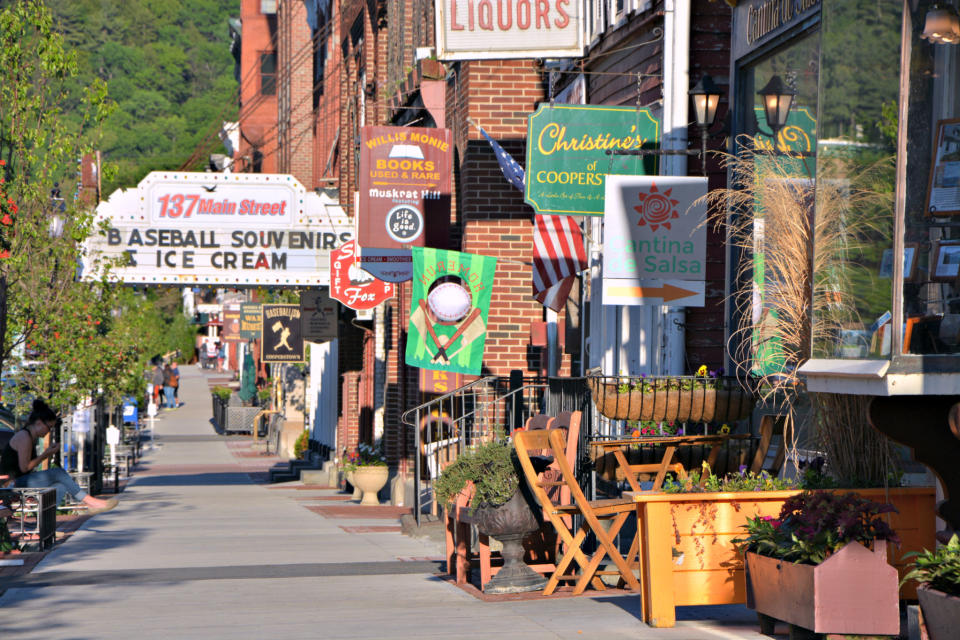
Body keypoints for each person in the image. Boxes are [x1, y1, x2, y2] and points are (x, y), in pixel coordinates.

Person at [0, 399, 118, 513]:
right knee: (58, 473)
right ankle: (91, 502)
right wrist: (46, 454)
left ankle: (46, 526)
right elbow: (24, 468)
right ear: (39, 423)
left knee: (60, 486)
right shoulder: (24, 437)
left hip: (21, 481)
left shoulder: (30, 437)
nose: (49, 431)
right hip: (12, 484)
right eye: (49, 427)